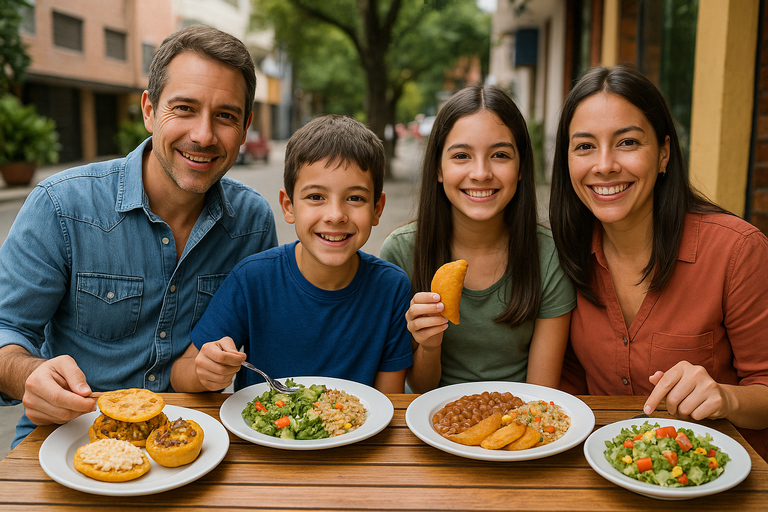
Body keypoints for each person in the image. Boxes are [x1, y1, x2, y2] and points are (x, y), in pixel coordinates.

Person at [0, 25, 278, 449]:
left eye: (225, 115)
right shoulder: (60, 206)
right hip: (66, 442)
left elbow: (264, 348)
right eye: (184, 108)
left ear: (245, 127)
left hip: (193, 449)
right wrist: (28, 376)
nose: (203, 135)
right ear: (149, 110)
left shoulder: (253, 222)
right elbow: (6, 329)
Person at [550, 65, 768, 460]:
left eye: (628, 143)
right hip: (601, 473)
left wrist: (725, 398)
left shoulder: (737, 251)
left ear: (664, 152)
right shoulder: (564, 251)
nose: (604, 165)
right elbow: (570, 378)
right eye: (584, 146)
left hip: (717, 480)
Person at [170, 114, 414, 394]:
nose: (335, 215)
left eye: (355, 198)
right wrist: (206, 371)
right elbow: (180, 374)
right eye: (315, 197)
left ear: (377, 209)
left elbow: (388, 403)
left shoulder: (392, 288)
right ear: (288, 206)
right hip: (261, 435)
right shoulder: (252, 279)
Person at [380, 84, 576, 394]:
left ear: (521, 166)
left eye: (499, 155)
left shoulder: (549, 255)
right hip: (431, 420)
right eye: (461, 156)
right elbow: (418, 387)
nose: (481, 173)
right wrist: (429, 346)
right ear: (438, 169)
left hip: (522, 422)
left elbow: (542, 393)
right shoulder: (401, 251)